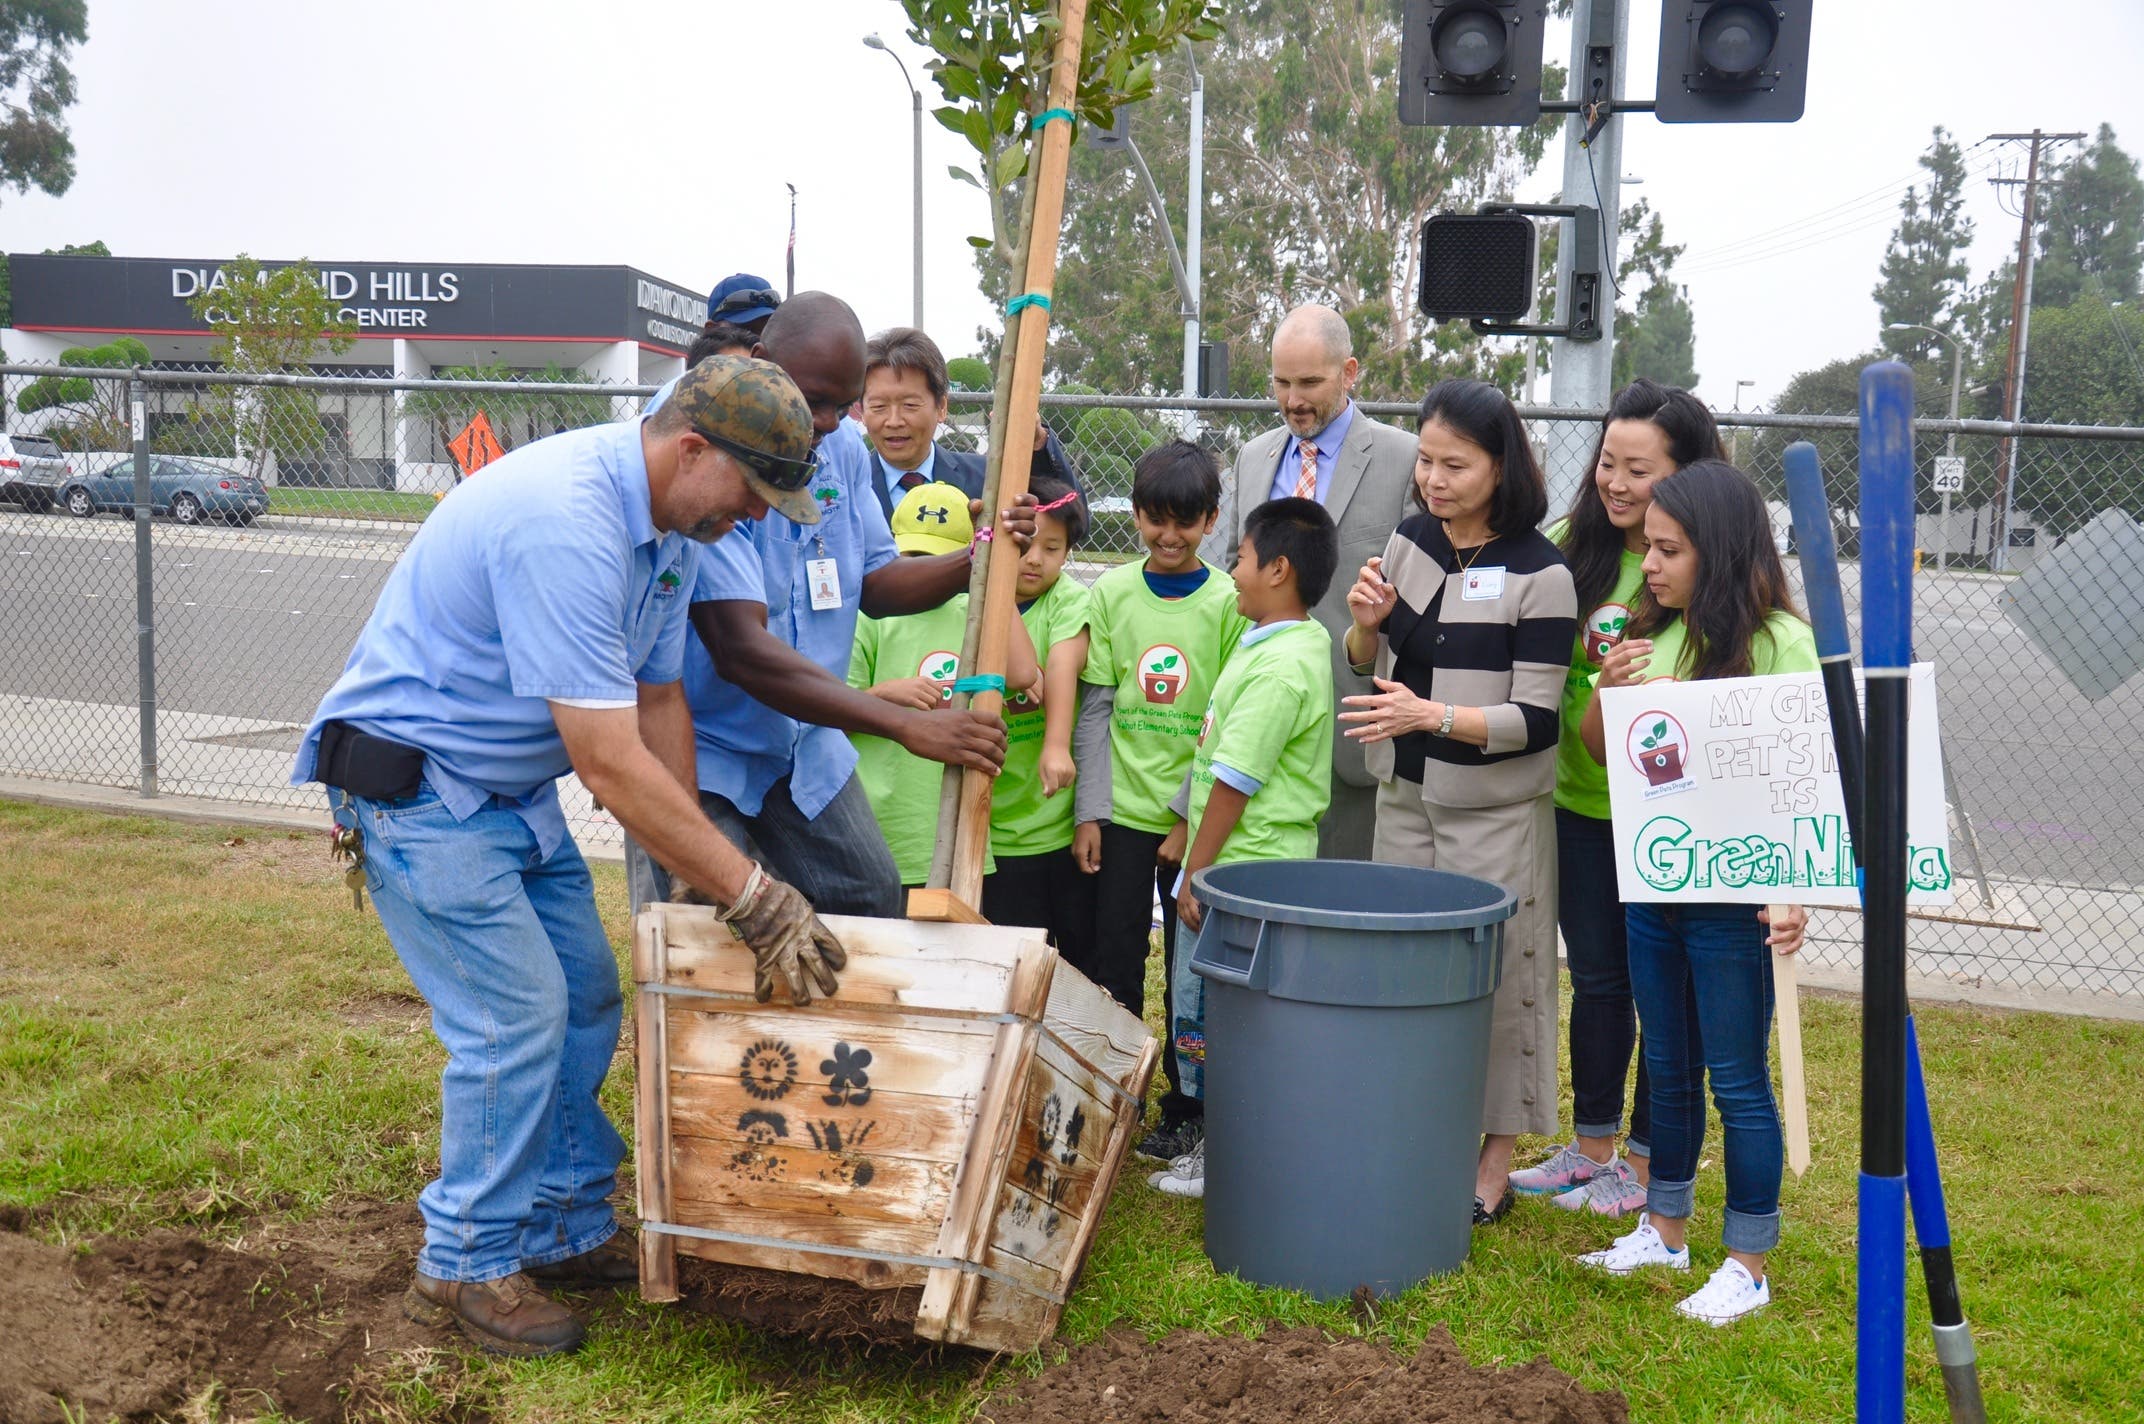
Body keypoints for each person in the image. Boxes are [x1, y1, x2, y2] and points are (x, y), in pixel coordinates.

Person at [292, 356, 848, 1357]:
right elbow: (604, 759)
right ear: (690, 449)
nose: (759, 517)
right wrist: (753, 894)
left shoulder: (673, 529)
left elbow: (657, 698)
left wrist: (694, 865)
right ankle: (462, 1262)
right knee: (512, 1016)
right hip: (418, 792)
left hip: (507, 793)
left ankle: (554, 1217)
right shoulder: (565, 522)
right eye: (753, 492)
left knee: (587, 992)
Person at [624, 292, 1035, 919]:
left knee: (868, 900)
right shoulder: (712, 429)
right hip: (704, 747)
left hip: (806, 747)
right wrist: (905, 724)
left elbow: (873, 581)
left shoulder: (840, 446)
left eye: (843, 406)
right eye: (814, 401)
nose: (826, 422)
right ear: (761, 359)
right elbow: (741, 652)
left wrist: (975, 564)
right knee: (703, 930)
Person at [1573, 459, 1811, 1327]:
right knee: (1666, 1064)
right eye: (1650, 549)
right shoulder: (1653, 635)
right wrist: (1609, 689)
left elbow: (1799, 775)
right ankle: (1664, 1228)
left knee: (1737, 1078)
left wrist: (1788, 889)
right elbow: (1601, 750)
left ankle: (1747, 1262)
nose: (1653, 566)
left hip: (1733, 896)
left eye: (1670, 551)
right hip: (1654, 881)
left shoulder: (1780, 640)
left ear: (1720, 551)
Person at [1339, 378, 1575, 1227]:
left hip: (1495, 813)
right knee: (1406, 975)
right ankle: (1415, 1134)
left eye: (1457, 465)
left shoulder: (1541, 573)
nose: (1434, 481)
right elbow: (1371, 658)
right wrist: (1366, 626)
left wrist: (1433, 715)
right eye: (1427, 462)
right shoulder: (1412, 541)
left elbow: (1538, 721)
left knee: (1500, 979)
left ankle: (1495, 1161)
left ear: (1502, 465)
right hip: (1404, 796)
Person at [1510, 379, 1725, 1219]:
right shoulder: (1572, 547)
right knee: (1599, 981)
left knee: (1664, 988)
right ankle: (1590, 1147)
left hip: (1670, 816)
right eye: (1608, 462)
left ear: (1685, 475)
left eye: (1641, 469)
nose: (1618, 483)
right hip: (1580, 800)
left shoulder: (1697, 563)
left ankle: (1646, 1163)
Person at [1148, 497, 1341, 1201]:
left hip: (1246, 872)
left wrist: (1199, 872)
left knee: (1223, 1015)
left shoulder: (1278, 668)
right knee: (1215, 1011)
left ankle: (1229, 1153)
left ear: (1277, 569)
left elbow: (1235, 779)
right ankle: (1223, 1142)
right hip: (1245, 864)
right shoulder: (1285, 642)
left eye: (1240, 558)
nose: (1231, 572)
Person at [1073, 439, 1249, 1164]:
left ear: (1211, 520)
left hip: (1194, 827)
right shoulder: (1110, 595)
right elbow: (1095, 709)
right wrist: (1091, 811)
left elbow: (1224, 722)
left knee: (1190, 974)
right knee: (1112, 960)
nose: (1168, 537)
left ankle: (1189, 1106)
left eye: (1185, 522)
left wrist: (1185, 817)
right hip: (1119, 821)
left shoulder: (1230, 603)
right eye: (1154, 520)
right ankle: (1113, 1097)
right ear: (1137, 517)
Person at [1211, 304, 1419, 861]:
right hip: (1262, 720)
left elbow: (1419, 595)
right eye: (1281, 382)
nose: (1292, 399)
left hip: (1354, 723)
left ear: (1349, 373)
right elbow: (1238, 568)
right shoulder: (1254, 458)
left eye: (1309, 382)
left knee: (1344, 904)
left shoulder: (1405, 459)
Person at [848, 483, 1040, 890]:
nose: (923, 570)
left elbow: (1023, 673)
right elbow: (832, 711)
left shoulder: (974, 611)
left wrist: (995, 578)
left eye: (937, 559)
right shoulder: (871, 616)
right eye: (912, 557)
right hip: (883, 830)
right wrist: (883, 695)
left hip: (955, 832)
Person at [979, 475, 1097, 962]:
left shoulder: (1068, 600)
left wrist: (1055, 743)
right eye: (1026, 544)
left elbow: (1064, 664)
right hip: (991, 826)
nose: (1034, 559)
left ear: (1067, 553)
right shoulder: (975, 597)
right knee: (1006, 957)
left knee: (1069, 961)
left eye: (1052, 548)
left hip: (1053, 822)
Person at [858, 325, 1081, 522]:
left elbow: (1072, 519)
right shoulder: (846, 489)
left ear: (942, 407)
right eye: (879, 407)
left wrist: (1036, 441)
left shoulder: (989, 480)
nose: (894, 421)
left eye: (910, 405)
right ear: (862, 411)